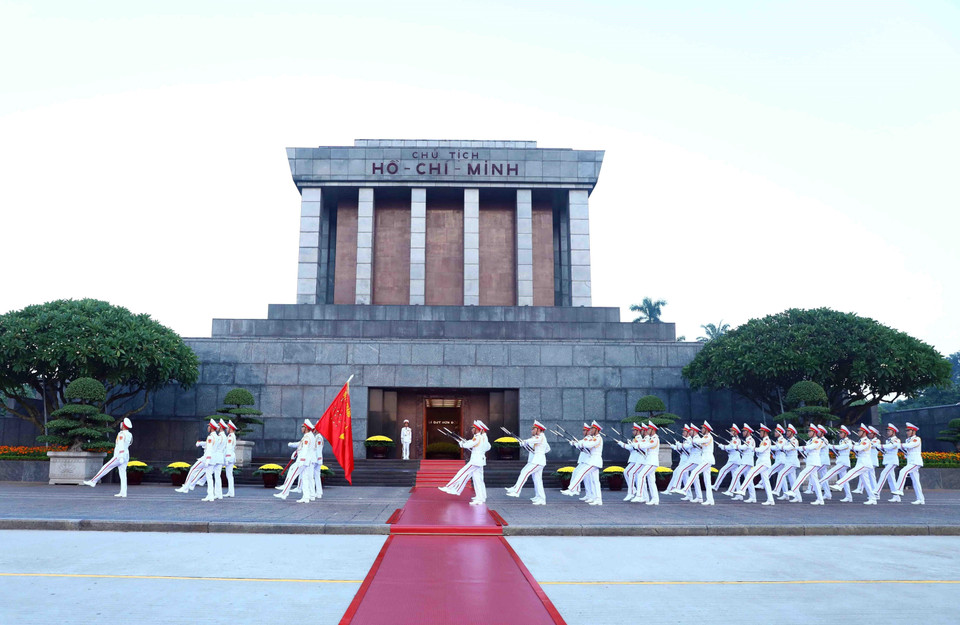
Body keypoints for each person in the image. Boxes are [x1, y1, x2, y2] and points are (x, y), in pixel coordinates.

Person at [439, 421, 490, 504]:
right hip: (480, 460)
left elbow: (468, 445)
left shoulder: (477, 437)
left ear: (477, 429)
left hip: (475, 461)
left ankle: (449, 486)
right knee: (478, 479)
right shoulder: (483, 437)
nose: (472, 430)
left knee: (462, 473)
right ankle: (481, 497)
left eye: (473, 428)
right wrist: (473, 446)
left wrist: (462, 443)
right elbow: (487, 447)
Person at [83, 418, 133, 497]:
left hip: (119, 456)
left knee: (106, 467)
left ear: (123, 425)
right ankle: (123, 492)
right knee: (123, 474)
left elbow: (121, 445)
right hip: (126, 455)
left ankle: (93, 481)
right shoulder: (129, 434)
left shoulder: (121, 434)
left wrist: (121, 456)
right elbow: (128, 444)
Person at [506, 420, 550, 505]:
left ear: (538, 430)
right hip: (537, 460)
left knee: (525, 472)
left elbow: (531, 442)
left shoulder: (540, 437)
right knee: (537, 480)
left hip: (538, 461)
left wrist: (526, 442)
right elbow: (545, 448)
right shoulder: (539, 438)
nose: (532, 430)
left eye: (534, 429)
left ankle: (516, 491)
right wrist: (525, 444)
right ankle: (541, 498)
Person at [831, 425, 877, 504]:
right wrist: (853, 444)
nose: (858, 432)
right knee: (866, 482)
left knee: (852, 472)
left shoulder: (866, 441)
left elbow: (859, 448)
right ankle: (873, 498)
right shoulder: (861, 441)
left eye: (860, 431)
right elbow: (856, 448)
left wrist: (850, 445)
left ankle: (839, 484)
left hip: (864, 463)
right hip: (860, 462)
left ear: (864, 432)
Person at [561, 421, 604, 505]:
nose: (591, 430)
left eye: (592, 428)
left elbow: (589, 445)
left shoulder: (598, 438)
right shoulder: (593, 438)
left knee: (581, 472)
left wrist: (580, 443)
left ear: (596, 430)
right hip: (592, 460)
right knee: (595, 481)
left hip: (594, 461)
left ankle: (572, 489)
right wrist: (578, 444)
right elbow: (586, 446)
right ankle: (598, 499)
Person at [275, 419, 316, 503]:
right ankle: (306, 497)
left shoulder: (307, 437)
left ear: (306, 428)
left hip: (302, 461)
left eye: (303, 427)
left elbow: (305, 449)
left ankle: (284, 493)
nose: (301, 428)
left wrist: (301, 460)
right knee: (305, 478)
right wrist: (293, 446)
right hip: (306, 461)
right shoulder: (310, 436)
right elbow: (301, 445)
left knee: (292, 476)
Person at [675, 421, 715, 505]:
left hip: (707, 459)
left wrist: (692, 441)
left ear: (706, 429)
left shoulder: (708, 437)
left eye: (703, 428)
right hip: (705, 459)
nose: (701, 430)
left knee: (694, 472)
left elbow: (699, 441)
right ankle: (710, 500)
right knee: (707, 481)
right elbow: (698, 443)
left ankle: (685, 489)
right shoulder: (704, 437)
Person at [735, 424, 774, 505]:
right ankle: (771, 500)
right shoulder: (764, 441)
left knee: (751, 473)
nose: (760, 433)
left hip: (764, 463)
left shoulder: (767, 440)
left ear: (765, 432)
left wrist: (752, 448)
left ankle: (742, 489)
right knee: (766, 482)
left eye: (761, 432)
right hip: (761, 462)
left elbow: (761, 450)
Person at [786, 425, 825, 504]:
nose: (808, 433)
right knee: (815, 482)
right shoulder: (810, 441)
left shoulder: (818, 440)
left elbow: (811, 447)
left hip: (814, 462)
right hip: (810, 462)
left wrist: (801, 448)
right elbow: (806, 450)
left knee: (802, 474)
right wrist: (798, 448)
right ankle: (820, 499)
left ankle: (793, 490)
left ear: (814, 432)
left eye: (810, 431)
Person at [891, 423, 924, 504]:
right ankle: (920, 499)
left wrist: (900, 445)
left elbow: (911, 445)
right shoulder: (907, 440)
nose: (907, 432)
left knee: (903, 471)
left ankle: (899, 489)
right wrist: (902, 449)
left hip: (915, 462)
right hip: (910, 462)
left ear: (913, 431)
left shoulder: (917, 439)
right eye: (907, 431)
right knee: (916, 482)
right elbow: (907, 450)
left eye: (909, 430)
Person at [820, 425, 853, 502]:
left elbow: (841, 447)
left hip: (844, 462)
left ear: (845, 434)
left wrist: (831, 446)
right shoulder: (841, 441)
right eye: (839, 433)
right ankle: (849, 496)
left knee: (831, 471)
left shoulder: (848, 441)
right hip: (841, 460)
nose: (839, 434)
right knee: (844, 480)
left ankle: (819, 482)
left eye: (841, 433)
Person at [632, 421, 661, 505]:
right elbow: (645, 443)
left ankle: (639, 495)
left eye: (649, 429)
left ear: (653, 430)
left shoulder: (655, 439)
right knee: (651, 481)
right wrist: (637, 444)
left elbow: (646, 445)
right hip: (650, 461)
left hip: (652, 462)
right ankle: (655, 499)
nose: (647, 430)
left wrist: (637, 445)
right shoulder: (651, 438)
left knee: (641, 475)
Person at [873, 424, 902, 502]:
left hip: (892, 461)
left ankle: (876, 491)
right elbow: (886, 450)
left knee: (883, 473)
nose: (887, 432)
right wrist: (878, 447)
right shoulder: (887, 440)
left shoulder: (896, 440)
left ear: (893, 432)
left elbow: (890, 447)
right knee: (891, 479)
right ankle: (896, 497)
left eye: (889, 431)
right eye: (887, 431)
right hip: (887, 460)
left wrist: (880, 446)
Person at [618, 423, 646, 501]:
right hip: (634, 459)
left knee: (631, 474)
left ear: (638, 431)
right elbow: (630, 447)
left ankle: (634, 492)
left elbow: (633, 448)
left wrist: (628, 444)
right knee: (627, 472)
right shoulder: (635, 439)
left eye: (634, 430)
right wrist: (621, 443)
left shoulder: (639, 438)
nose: (632, 432)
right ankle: (634, 491)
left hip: (637, 460)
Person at [773, 425, 800, 499]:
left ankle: (776, 490)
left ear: (792, 433)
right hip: (788, 462)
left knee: (781, 473)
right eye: (787, 431)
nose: (787, 433)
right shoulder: (788, 441)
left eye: (788, 431)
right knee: (793, 481)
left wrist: (781, 447)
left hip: (792, 462)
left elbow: (788, 448)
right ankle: (798, 498)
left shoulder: (794, 441)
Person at [715, 424, 742, 495]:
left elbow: (731, 447)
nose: (731, 432)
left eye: (732, 431)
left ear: (735, 432)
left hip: (734, 460)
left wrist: (722, 446)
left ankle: (715, 486)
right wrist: (724, 447)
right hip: (733, 459)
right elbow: (729, 449)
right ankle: (739, 495)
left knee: (723, 470)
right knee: (735, 477)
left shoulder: (736, 440)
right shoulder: (733, 440)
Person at [732, 424, 755, 501]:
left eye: (744, 431)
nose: (743, 432)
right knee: (749, 480)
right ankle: (752, 497)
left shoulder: (750, 440)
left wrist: (737, 446)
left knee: (736, 473)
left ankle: (732, 490)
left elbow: (744, 447)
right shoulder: (747, 440)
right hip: (745, 461)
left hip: (747, 462)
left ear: (748, 432)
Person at [311, 421, 326, 501]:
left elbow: (318, 449)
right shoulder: (317, 437)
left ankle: (316, 492)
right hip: (317, 459)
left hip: (316, 459)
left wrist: (316, 459)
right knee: (316, 476)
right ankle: (318, 492)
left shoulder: (318, 437)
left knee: (314, 476)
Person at [223, 420, 237, 498]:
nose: (226, 429)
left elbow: (229, 447)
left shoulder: (230, 437)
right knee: (229, 475)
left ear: (230, 428)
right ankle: (231, 492)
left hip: (229, 456)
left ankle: (231, 492)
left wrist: (227, 458)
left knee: (229, 475)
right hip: (231, 456)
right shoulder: (231, 436)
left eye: (228, 428)